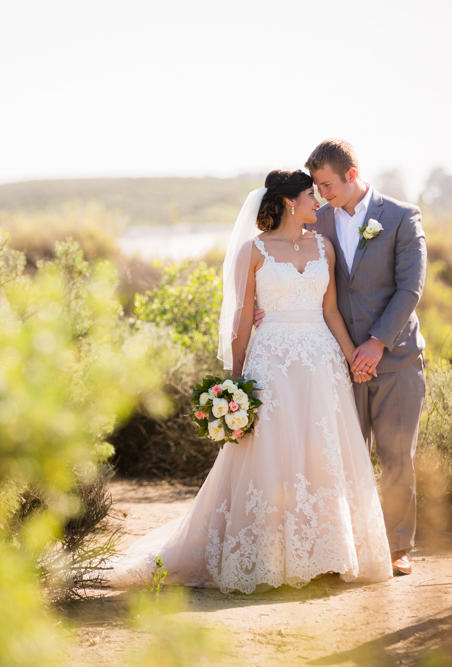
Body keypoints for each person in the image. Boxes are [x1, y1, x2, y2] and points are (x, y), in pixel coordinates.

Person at [105, 169, 392, 593]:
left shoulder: (324, 246)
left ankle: (326, 553)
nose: (319, 202)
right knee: (272, 454)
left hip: (321, 364)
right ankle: (270, 557)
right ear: (291, 202)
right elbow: (241, 319)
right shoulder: (252, 251)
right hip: (271, 360)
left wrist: (354, 359)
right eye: (311, 195)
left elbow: (331, 310)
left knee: (319, 452)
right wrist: (233, 383)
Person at [257, 139, 427, 576]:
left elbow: (410, 288)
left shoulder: (402, 216)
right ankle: (344, 546)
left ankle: (396, 547)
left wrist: (376, 343)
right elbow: (296, 269)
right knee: (333, 457)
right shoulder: (318, 221)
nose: (321, 193)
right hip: (334, 363)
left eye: (327, 184)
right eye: (315, 186)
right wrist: (267, 305)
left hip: (394, 359)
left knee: (396, 456)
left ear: (352, 175)